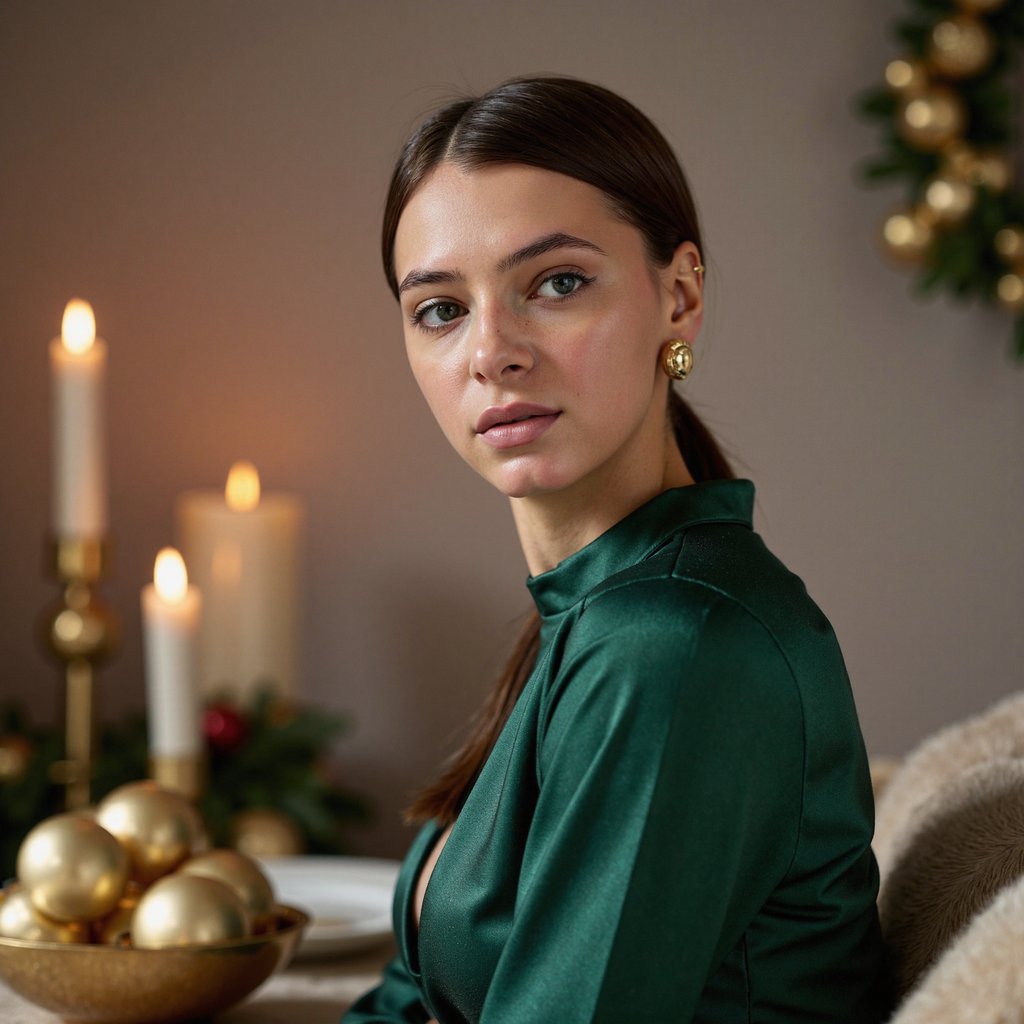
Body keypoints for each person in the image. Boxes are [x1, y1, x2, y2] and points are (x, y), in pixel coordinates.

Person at [344, 75, 889, 1024]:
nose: (491, 351)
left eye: (555, 283)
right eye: (440, 309)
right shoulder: (592, 615)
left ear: (678, 298)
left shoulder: (676, 647)